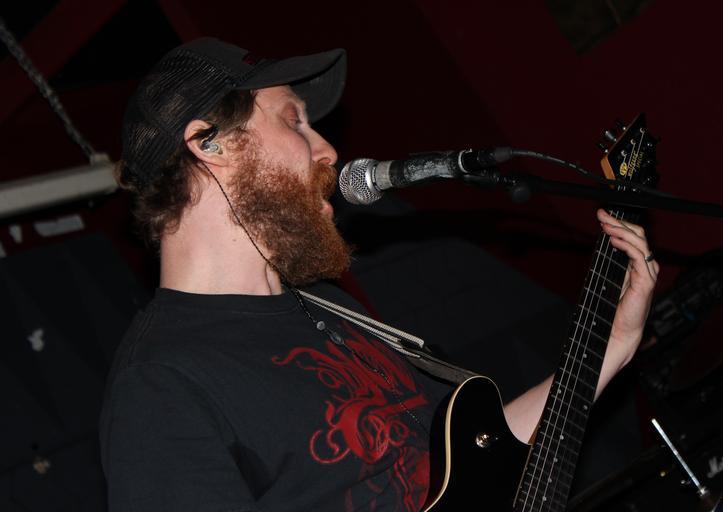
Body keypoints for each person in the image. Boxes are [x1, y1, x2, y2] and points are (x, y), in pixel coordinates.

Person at [99, 37, 659, 512]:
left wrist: (611, 343)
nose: (328, 150)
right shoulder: (161, 384)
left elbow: (473, 464)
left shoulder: (330, 308)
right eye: (293, 120)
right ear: (210, 144)